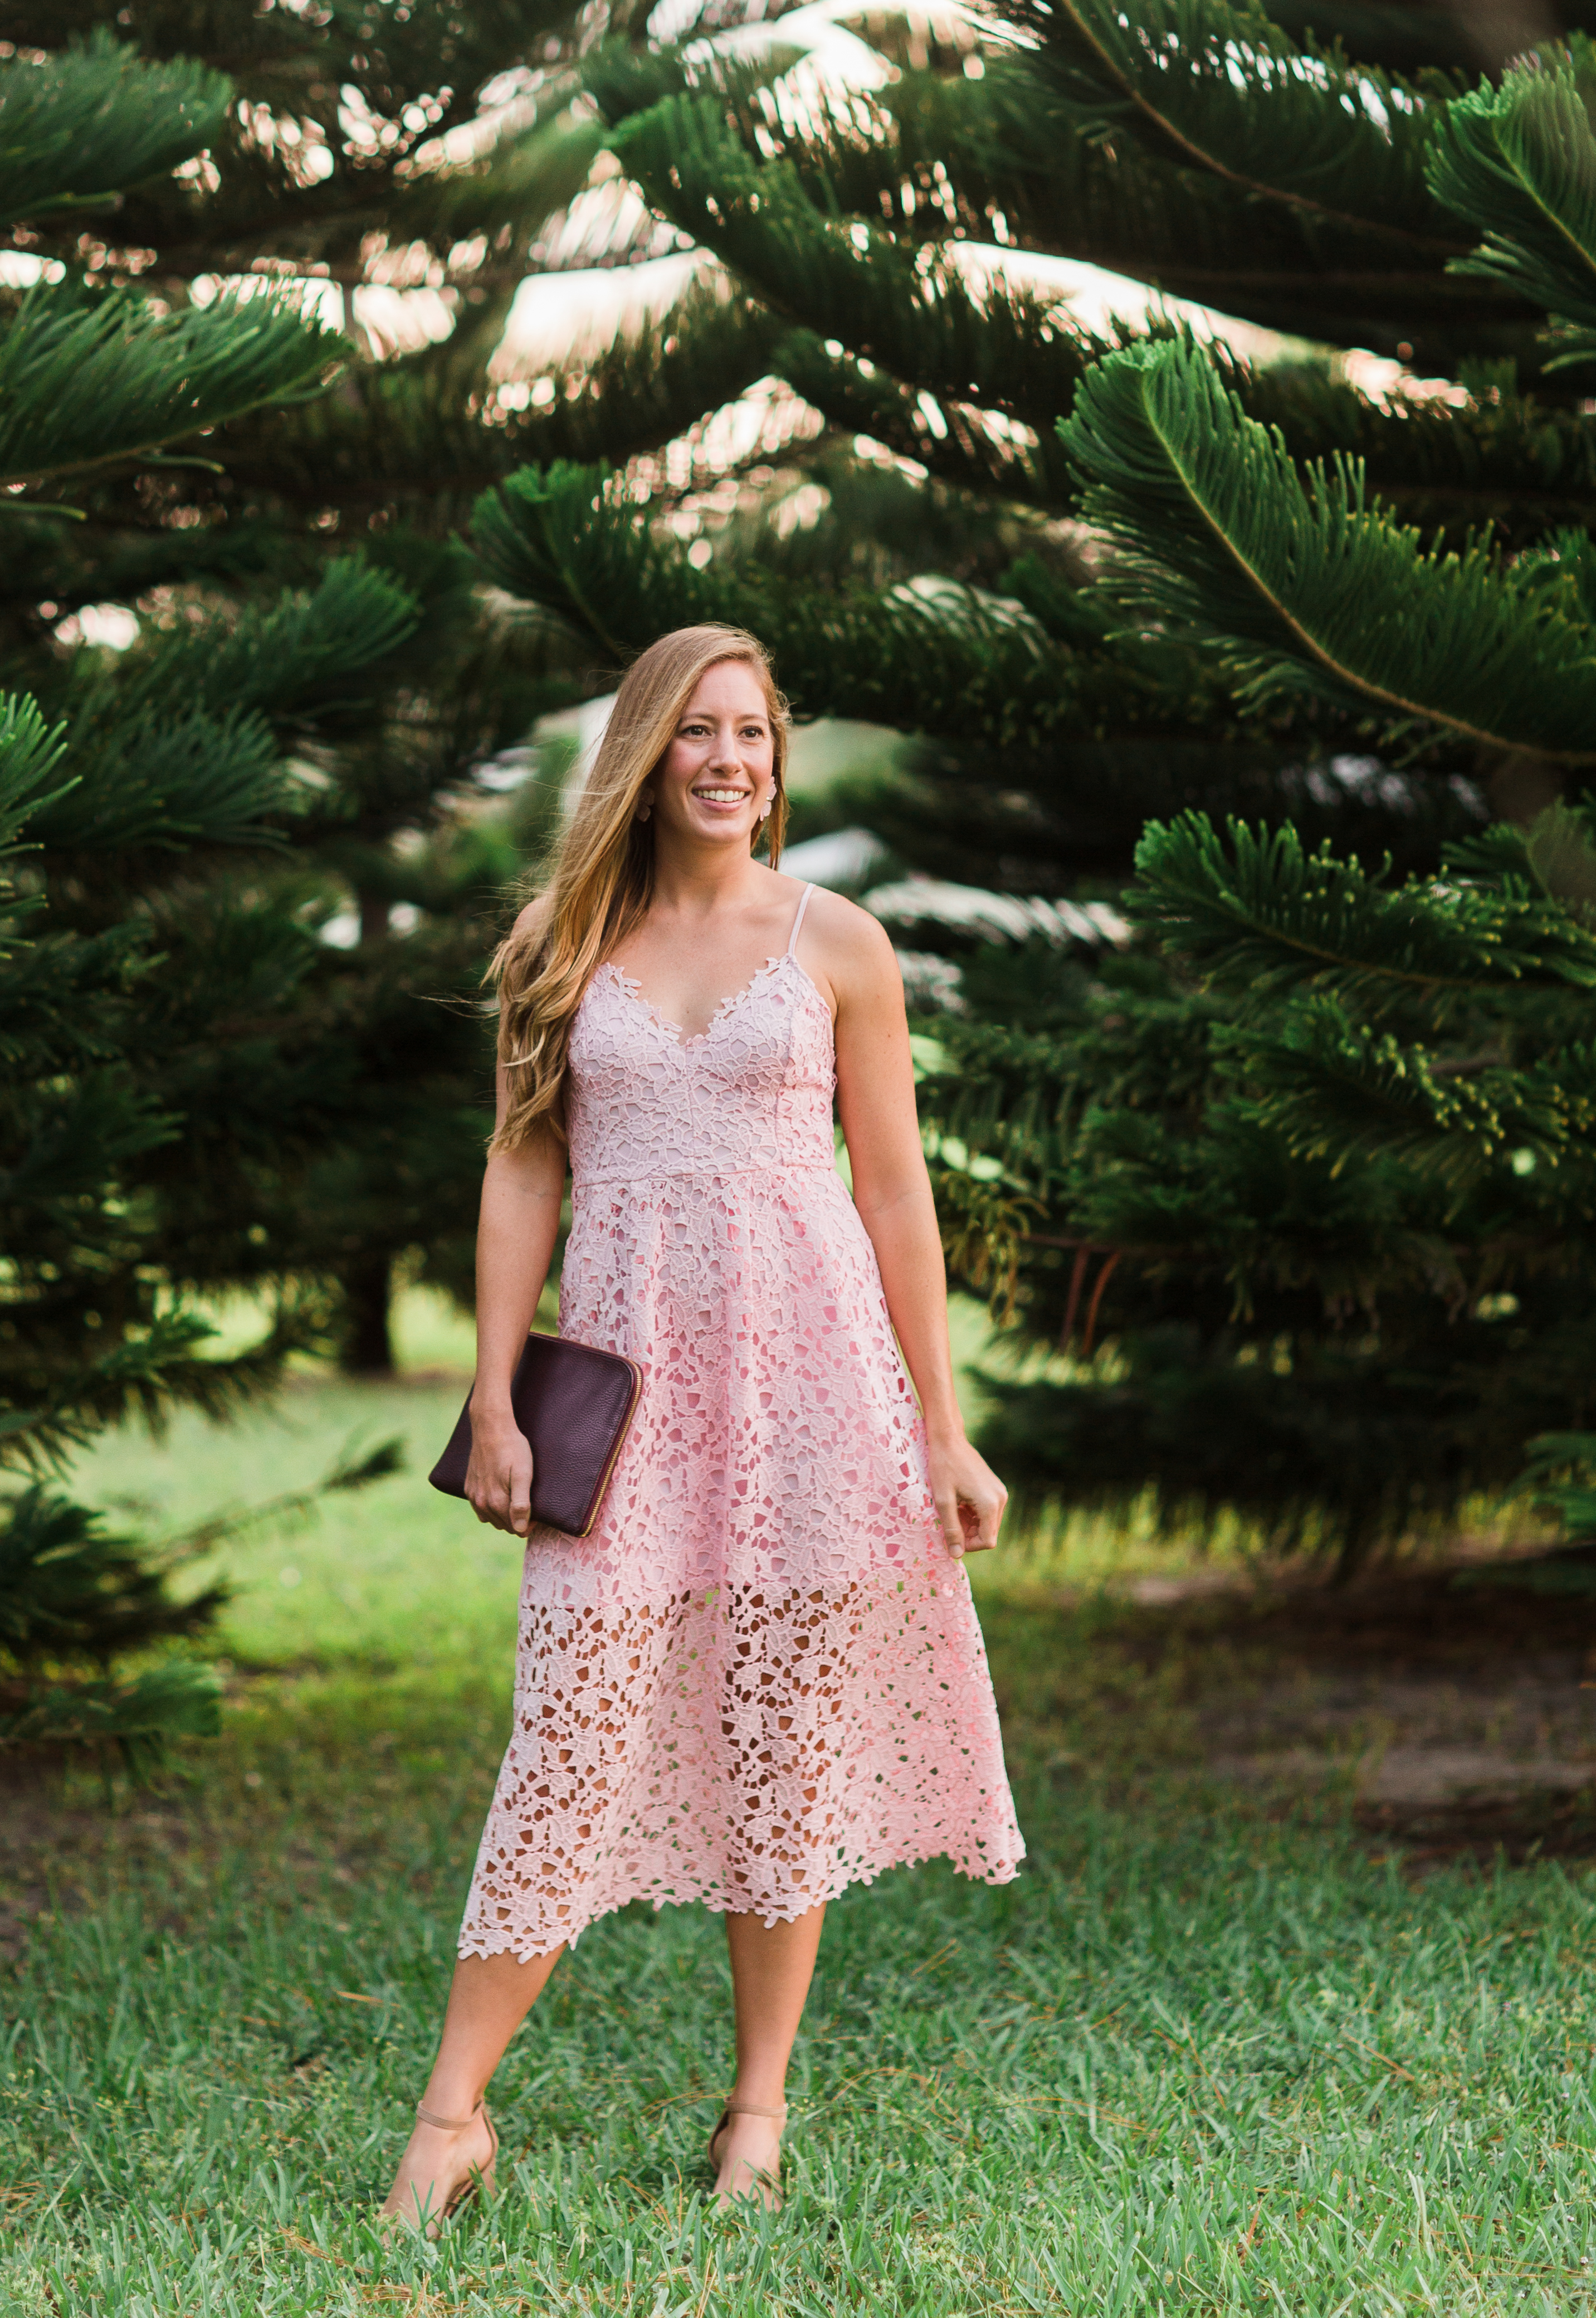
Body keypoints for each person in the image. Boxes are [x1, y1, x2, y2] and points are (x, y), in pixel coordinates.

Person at [385, 624, 1023, 2224]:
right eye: (699, 732)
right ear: (646, 755)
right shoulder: (554, 941)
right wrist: (490, 1394)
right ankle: (451, 2114)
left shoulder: (838, 944)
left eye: (754, 733)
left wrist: (943, 1428)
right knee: (566, 1736)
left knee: (786, 1756)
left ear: (776, 758)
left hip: (814, 1395)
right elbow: (525, 1166)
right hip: (627, 1396)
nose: (731, 759)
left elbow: (893, 1189)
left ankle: (758, 2110)